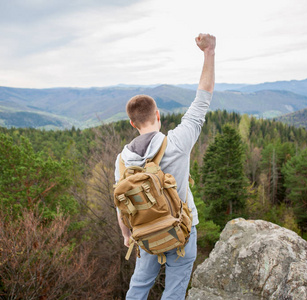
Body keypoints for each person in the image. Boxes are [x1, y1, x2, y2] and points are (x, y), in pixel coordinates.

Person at [114, 33, 216, 300]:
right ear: (157, 115)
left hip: (146, 233)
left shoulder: (123, 159)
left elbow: (121, 204)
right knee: (174, 290)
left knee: (138, 286)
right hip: (182, 231)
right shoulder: (178, 143)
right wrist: (209, 52)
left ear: (132, 124)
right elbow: (202, 99)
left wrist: (127, 235)